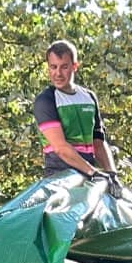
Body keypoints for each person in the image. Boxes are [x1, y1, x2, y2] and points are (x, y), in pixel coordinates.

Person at [33, 39, 117, 179]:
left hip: (88, 175)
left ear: (74, 66)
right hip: (59, 178)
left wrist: (113, 174)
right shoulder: (46, 100)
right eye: (53, 67)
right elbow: (60, 148)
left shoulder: (89, 97)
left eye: (64, 67)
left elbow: (99, 142)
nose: (58, 73)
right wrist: (93, 172)